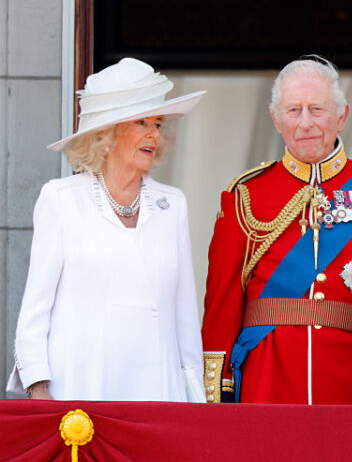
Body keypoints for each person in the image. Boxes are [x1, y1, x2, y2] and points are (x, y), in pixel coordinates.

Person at [201, 55, 352, 404]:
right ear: (276, 119)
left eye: (317, 109)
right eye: (293, 111)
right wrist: (219, 395)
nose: (305, 122)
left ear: (342, 116)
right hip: (267, 384)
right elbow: (222, 308)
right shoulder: (244, 197)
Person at [7, 57, 206, 401]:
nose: (153, 134)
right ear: (106, 134)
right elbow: (35, 311)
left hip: (159, 395)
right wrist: (39, 390)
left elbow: (185, 316)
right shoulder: (61, 200)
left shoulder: (171, 204)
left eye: (157, 123)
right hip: (83, 391)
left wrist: (193, 398)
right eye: (141, 122)